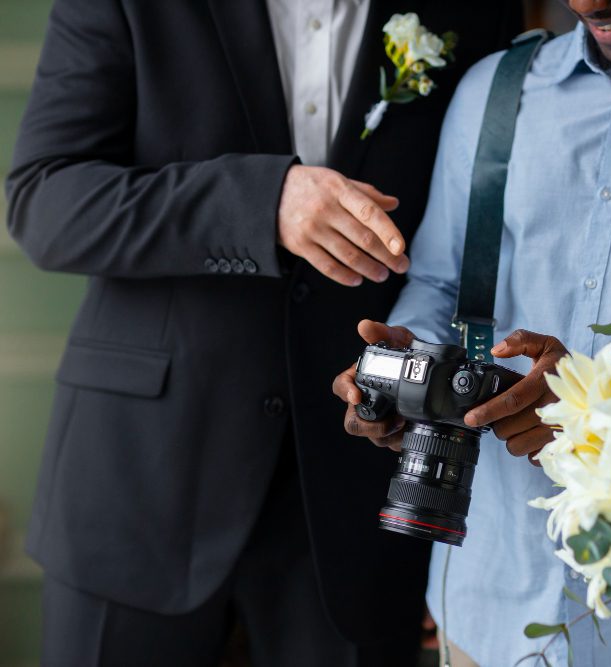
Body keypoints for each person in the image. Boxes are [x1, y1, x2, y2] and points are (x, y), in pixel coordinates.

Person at [5, 1, 521, 665]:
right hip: (139, 487)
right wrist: (261, 204)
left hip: (361, 503)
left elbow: (480, 238)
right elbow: (46, 199)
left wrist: (458, 546)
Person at [333, 1, 611, 664]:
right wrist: (402, 369)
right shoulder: (491, 93)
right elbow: (444, 282)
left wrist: (598, 415)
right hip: (491, 601)